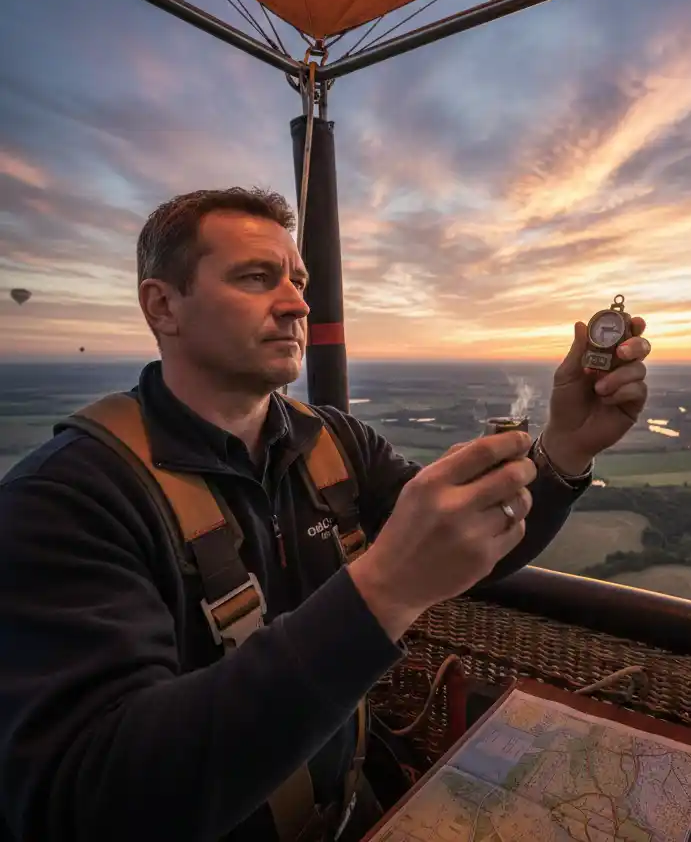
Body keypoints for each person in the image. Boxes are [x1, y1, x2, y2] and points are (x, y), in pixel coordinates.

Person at [0, 187, 652, 842]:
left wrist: (566, 447)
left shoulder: (335, 444)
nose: (296, 304)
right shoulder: (67, 499)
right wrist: (384, 590)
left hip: (352, 810)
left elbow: (468, 546)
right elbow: (88, 805)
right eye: (256, 278)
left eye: (298, 281)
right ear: (163, 305)